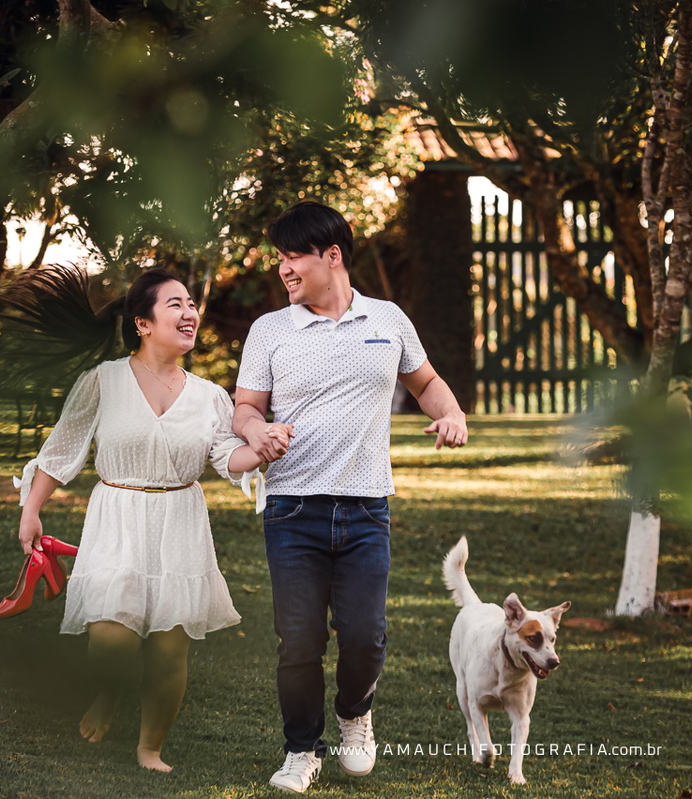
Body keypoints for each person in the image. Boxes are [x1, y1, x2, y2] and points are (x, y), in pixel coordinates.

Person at [7, 266, 289, 772]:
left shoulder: (210, 396)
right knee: (110, 640)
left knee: (167, 651)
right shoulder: (102, 381)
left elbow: (228, 459)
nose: (190, 313)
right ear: (143, 322)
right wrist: (32, 509)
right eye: (175, 304)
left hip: (179, 521)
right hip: (117, 514)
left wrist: (263, 447)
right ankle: (110, 693)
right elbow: (61, 450)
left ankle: (149, 747)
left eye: (191, 304)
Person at [233, 201, 468, 793]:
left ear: (331, 255)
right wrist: (256, 431)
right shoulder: (271, 330)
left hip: (366, 508)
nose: (283, 270)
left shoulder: (388, 320)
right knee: (301, 640)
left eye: (293, 257)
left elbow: (427, 383)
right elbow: (245, 407)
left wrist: (451, 413)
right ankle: (300, 750)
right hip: (292, 509)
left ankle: (354, 715)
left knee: (366, 635)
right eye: (280, 260)